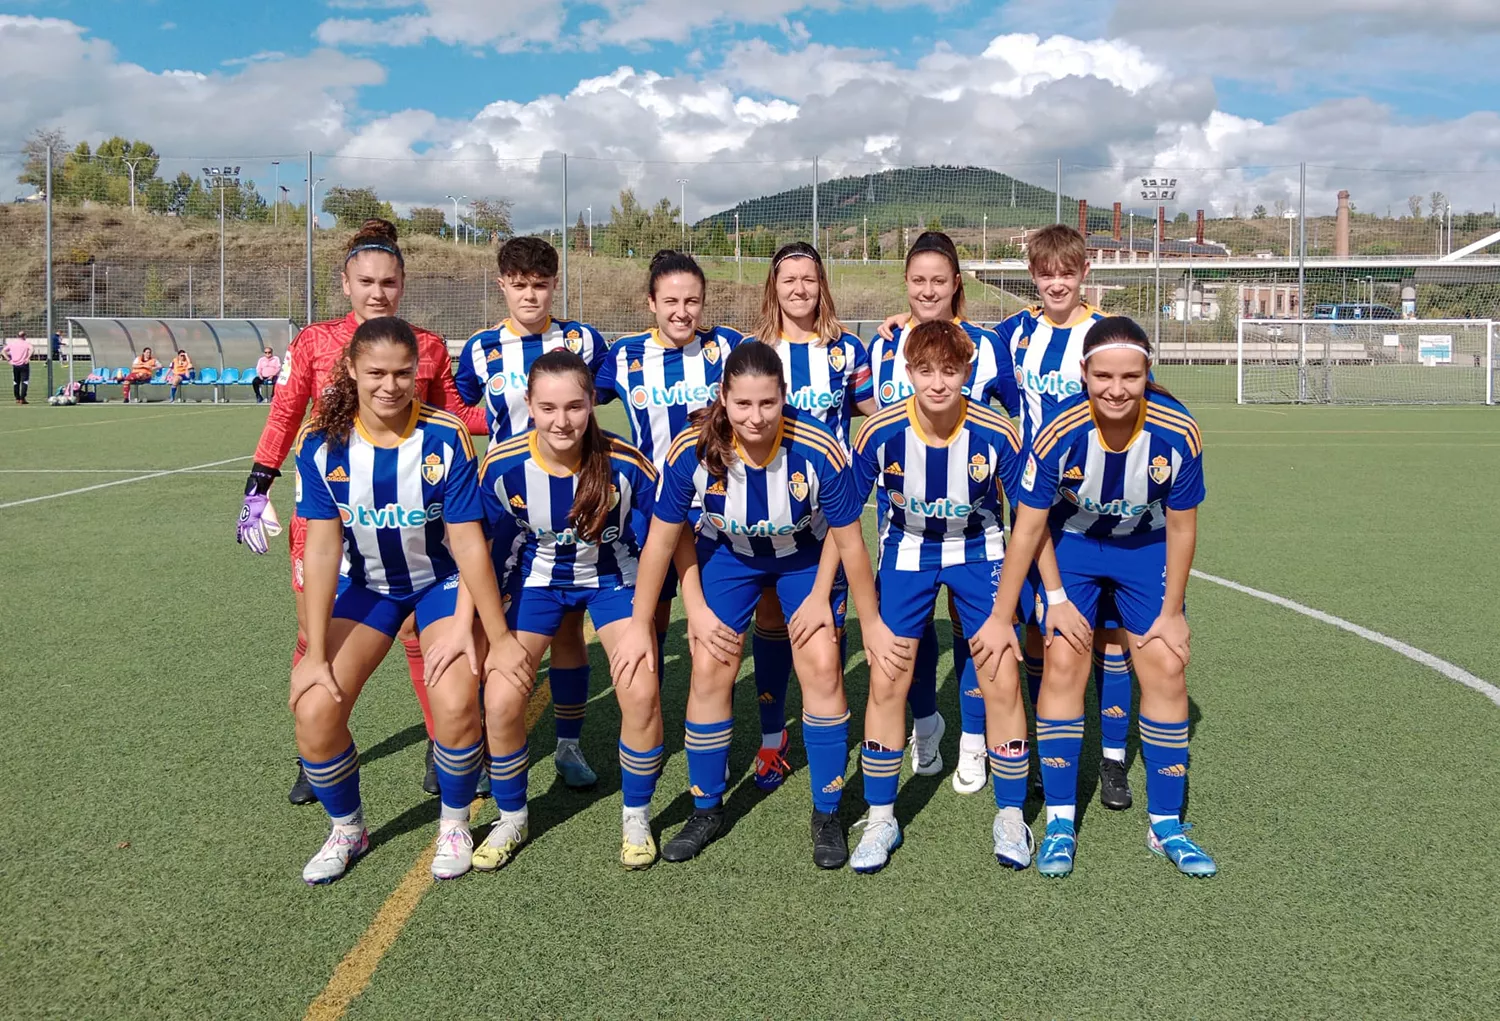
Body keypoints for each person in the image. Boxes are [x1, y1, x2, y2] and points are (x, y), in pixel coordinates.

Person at [611, 341, 911, 868]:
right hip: (731, 557)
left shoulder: (818, 446)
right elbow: (662, 537)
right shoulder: (692, 448)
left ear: (784, 398)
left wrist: (860, 619)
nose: (755, 417)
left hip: (806, 559)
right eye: (743, 404)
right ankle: (706, 807)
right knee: (709, 665)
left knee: (822, 666)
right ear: (723, 397)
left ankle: (827, 812)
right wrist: (663, 615)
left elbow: (849, 541)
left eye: (767, 404)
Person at [235, 218, 488, 806]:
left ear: (403, 285)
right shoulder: (315, 343)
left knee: (416, 628)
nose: (379, 292)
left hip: (407, 511)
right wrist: (258, 484)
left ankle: (439, 738)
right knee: (312, 627)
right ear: (345, 284)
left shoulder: (423, 345)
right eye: (367, 281)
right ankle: (314, 747)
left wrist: (520, 408)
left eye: (390, 282)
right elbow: (285, 414)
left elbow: (455, 413)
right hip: (329, 512)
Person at [971, 316, 1217, 879]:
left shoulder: (1179, 431)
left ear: (1147, 373)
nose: (1116, 387)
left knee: (1166, 664)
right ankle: (1060, 820)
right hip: (1073, 548)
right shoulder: (1059, 432)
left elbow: (1182, 527)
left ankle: (1166, 825)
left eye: (1130, 376)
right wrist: (1019, 609)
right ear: (1083, 373)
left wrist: (1173, 612)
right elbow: (1029, 528)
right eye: (1103, 374)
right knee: (1061, 660)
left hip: (1142, 549)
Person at [847, 319, 1089, 873]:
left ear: (967, 372)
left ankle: (1009, 815)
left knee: (1001, 672)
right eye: (926, 371)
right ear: (907, 372)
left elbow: (1031, 516)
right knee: (887, 679)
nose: (938, 383)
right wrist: (865, 616)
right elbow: (842, 524)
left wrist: (1050, 592)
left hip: (981, 552)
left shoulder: (996, 431)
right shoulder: (878, 432)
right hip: (906, 552)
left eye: (950, 371)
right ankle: (881, 816)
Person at [290, 315, 512, 885]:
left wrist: (496, 635)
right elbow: (320, 552)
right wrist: (313, 652)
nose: (390, 386)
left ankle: (455, 822)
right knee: (314, 709)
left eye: (403, 373)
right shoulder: (321, 444)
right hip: (368, 586)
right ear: (351, 372)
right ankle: (348, 828)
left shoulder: (444, 436)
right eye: (376, 374)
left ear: (418, 373)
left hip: (440, 583)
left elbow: (467, 541)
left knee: (459, 696)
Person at [472, 351, 665, 870]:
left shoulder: (624, 463)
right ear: (530, 407)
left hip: (611, 580)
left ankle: (637, 815)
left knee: (642, 689)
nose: (563, 421)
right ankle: (512, 815)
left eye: (575, 407)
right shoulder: (502, 466)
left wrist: (643, 622)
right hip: (535, 584)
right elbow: (478, 548)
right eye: (549, 407)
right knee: (503, 697)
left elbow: (662, 540)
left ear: (591, 406)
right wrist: (485, 630)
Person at [859, 230, 1020, 794]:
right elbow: (868, 416)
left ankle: (974, 742)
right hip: (900, 526)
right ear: (906, 283)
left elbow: (1018, 418)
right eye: (918, 280)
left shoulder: (987, 344)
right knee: (914, 634)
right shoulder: (882, 344)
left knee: (974, 632)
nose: (928, 290)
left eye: (939, 280)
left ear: (957, 284)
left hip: (975, 525)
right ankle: (926, 724)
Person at [455, 236, 610, 790]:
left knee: (568, 626)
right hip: (505, 508)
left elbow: (608, 393)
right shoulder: (478, 348)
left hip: (573, 500)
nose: (530, 295)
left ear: (555, 283)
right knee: (484, 618)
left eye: (540, 284)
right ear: (502, 285)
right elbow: (461, 402)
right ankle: (470, 743)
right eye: (518, 285)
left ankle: (568, 746)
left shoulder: (583, 340)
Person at [995, 224, 1135, 810]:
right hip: (1033, 506)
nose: (1057, 282)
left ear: (1084, 272)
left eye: (1067, 272)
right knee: (1038, 628)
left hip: (1100, 502)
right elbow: (950, 348)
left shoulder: (1102, 334)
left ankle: (1112, 759)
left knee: (1108, 635)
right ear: (1033, 274)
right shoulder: (1012, 335)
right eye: (1046, 272)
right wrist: (903, 324)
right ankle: (1038, 752)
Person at [738, 242, 867, 793]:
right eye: (788, 278)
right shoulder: (749, 349)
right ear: (774, 286)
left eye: (809, 279)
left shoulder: (847, 349)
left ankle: (826, 735)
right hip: (759, 512)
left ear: (823, 285)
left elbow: (875, 408)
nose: (799, 288)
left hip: (827, 521)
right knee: (770, 622)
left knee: (821, 636)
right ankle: (772, 738)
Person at [594, 250, 742, 687]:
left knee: (714, 621)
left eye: (692, 301)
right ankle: (650, 705)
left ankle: (712, 707)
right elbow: (578, 400)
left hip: (715, 508)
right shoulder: (624, 355)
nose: (682, 312)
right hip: (649, 510)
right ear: (651, 303)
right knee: (651, 613)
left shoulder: (728, 345)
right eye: (672, 302)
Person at [6, 331, 31, 404]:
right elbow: (32, 349)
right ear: (24, 336)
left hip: (15, 365)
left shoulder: (12, 343)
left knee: (16, 382)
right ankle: (22, 398)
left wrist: (8, 359)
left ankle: (17, 398)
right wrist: (28, 357)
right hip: (24, 365)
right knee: (24, 382)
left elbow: (3, 351)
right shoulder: (26, 343)